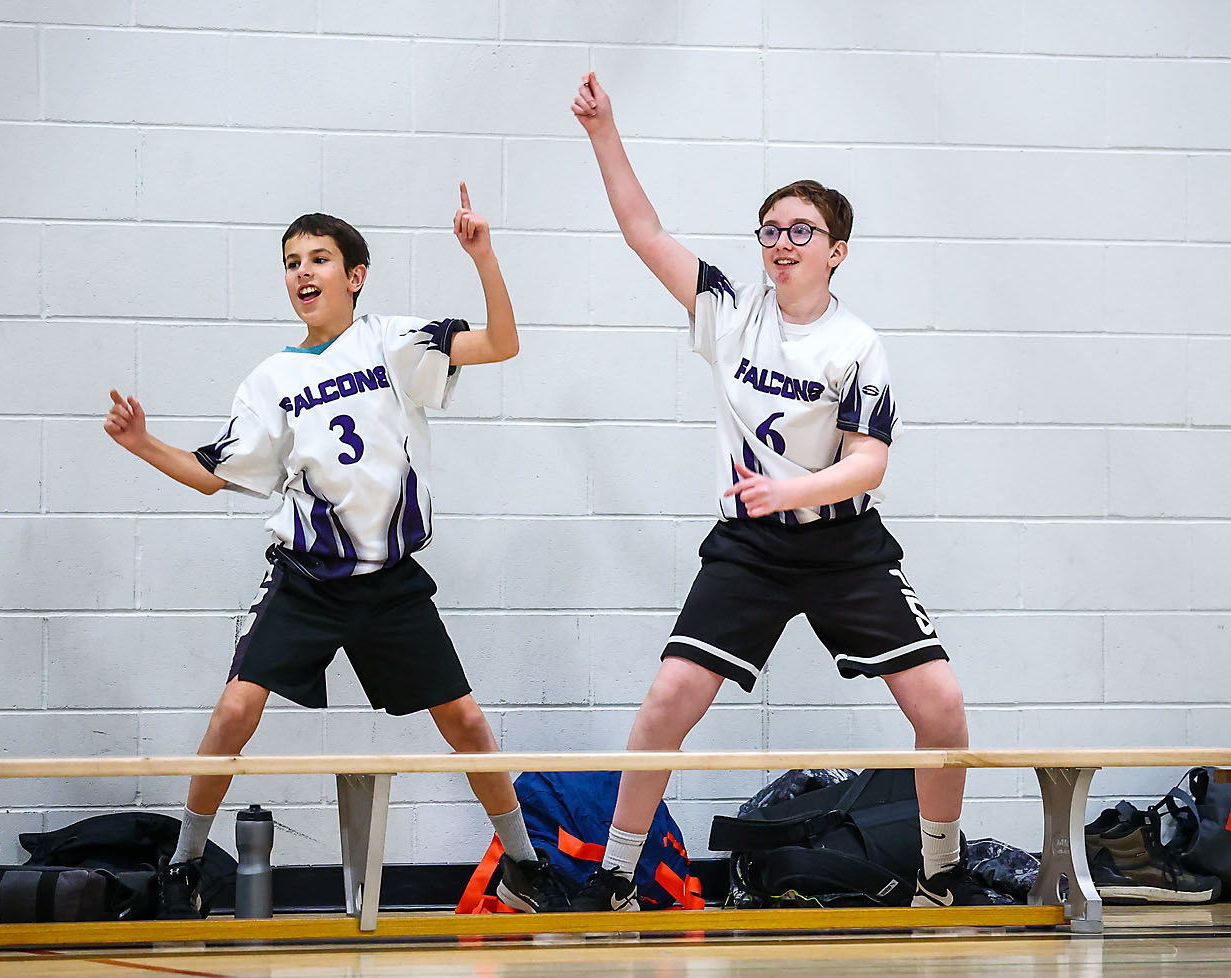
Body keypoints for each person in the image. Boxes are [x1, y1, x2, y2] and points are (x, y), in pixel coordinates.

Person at [559, 73, 1000, 911]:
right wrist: (603, 129)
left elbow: (870, 463)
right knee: (667, 701)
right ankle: (614, 875)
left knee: (941, 705)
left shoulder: (857, 343)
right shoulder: (730, 311)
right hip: (753, 547)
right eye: (771, 228)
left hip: (843, 545)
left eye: (803, 229)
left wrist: (794, 488)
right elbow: (641, 228)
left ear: (837, 248)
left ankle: (939, 872)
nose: (783, 241)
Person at [103, 187, 566, 917]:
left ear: (355, 274)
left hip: (389, 581)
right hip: (307, 577)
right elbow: (212, 474)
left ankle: (524, 865)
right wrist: (142, 443)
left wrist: (484, 256)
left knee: (468, 723)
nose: (302, 272)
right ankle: (184, 865)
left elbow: (503, 341)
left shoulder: (395, 342)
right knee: (234, 711)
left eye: (318, 258)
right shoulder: (271, 380)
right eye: (291, 262)